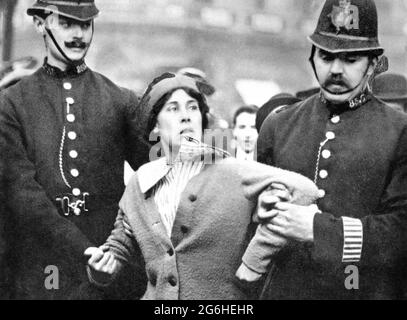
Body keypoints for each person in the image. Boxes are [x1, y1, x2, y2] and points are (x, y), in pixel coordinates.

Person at [84, 72, 320, 300]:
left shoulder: (231, 170)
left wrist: (255, 260)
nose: (185, 116)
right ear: (155, 125)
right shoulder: (142, 179)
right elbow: (122, 238)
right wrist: (104, 266)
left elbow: (305, 191)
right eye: (173, 108)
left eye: (193, 108)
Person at [257, 0, 407, 299]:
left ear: (373, 63)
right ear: (312, 56)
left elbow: (401, 231)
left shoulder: (400, 131)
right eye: (326, 56)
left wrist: (319, 230)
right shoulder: (279, 125)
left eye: (350, 59)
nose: (335, 70)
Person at [0, 0, 149, 299]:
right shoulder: (12, 104)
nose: (78, 34)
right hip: (41, 268)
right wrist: (82, 250)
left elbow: (155, 174)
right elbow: (21, 192)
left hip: (110, 269)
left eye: (84, 24)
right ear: (40, 24)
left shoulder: (121, 100)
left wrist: (117, 247)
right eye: (66, 23)